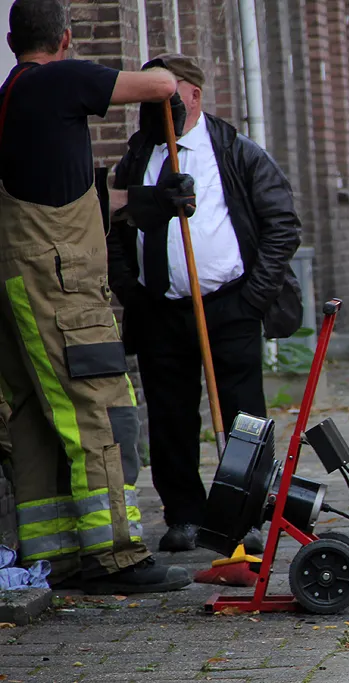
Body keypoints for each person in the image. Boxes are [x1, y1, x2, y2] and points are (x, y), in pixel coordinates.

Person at [0, 0, 193, 593]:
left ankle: (56, 555)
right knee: (98, 407)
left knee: (34, 418)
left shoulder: (10, 99)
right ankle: (116, 557)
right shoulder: (59, 77)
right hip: (61, 287)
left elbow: (58, 201)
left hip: (18, 285)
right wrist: (166, 86)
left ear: (11, 40)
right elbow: (161, 82)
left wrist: (143, 202)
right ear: (65, 38)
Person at [106, 54, 303, 553]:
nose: (157, 106)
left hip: (229, 305)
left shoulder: (236, 152)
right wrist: (133, 292)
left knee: (244, 417)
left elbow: (283, 225)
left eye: (166, 94)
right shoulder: (138, 156)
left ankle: (245, 516)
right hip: (160, 311)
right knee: (170, 417)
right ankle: (185, 517)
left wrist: (253, 299)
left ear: (192, 94)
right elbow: (112, 229)